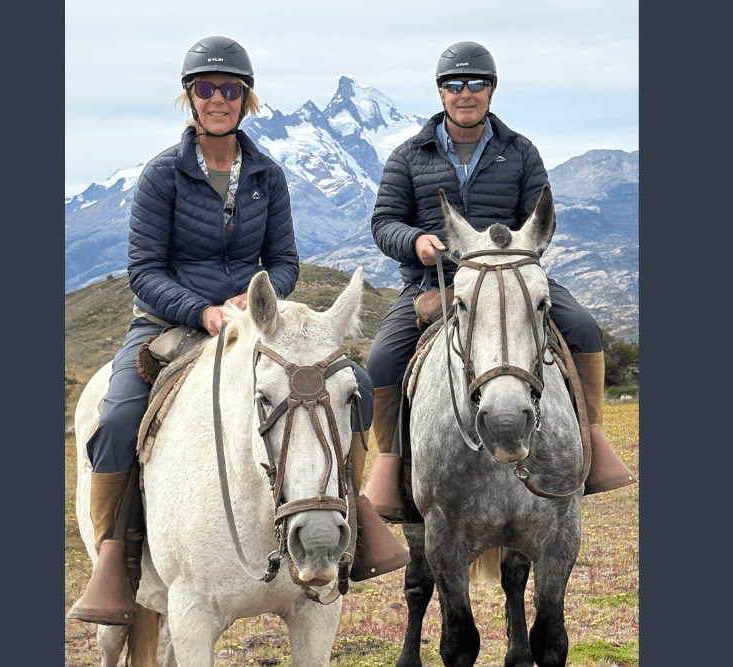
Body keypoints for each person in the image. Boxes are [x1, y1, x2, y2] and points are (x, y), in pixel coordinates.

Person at [68, 36, 404, 627]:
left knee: (348, 382)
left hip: (257, 322)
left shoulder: (269, 176)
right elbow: (145, 271)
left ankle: (356, 520)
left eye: (230, 88)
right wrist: (203, 311)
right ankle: (115, 559)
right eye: (206, 87)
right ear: (189, 98)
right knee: (118, 416)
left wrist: (254, 301)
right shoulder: (159, 177)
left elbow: (285, 261)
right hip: (171, 323)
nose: (218, 98)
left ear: (246, 99)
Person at [363, 41, 636, 522]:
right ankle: (389, 465)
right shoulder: (408, 156)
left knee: (586, 328)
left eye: (475, 83)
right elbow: (384, 222)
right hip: (436, 281)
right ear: (440, 92)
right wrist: (417, 242)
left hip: (510, 274)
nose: (464, 93)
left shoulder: (521, 151)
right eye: (453, 84)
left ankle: (592, 437)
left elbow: (538, 218)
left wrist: (518, 253)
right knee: (383, 357)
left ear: (491, 90)